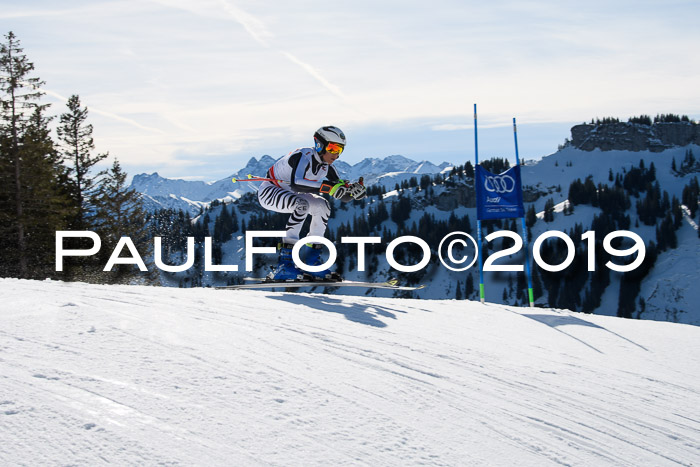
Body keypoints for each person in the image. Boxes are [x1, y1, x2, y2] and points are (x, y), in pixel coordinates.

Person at [257, 126, 366, 281]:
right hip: (270, 191)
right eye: (333, 147)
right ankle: (285, 264)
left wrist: (354, 192)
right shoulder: (303, 156)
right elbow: (296, 183)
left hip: (294, 194)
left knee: (322, 206)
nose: (336, 154)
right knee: (302, 205)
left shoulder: (328, 167)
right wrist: (330, 188)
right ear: (319, 145)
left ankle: (311, 262)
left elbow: (342, 194)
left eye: (340, 149)